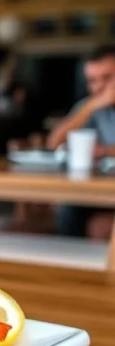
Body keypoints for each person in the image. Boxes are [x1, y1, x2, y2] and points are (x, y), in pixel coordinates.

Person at [46, 45, 115, 238]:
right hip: (98, 191)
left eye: (107, 78)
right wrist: (92, 105)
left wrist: (105, 151)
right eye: (92, 81)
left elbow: (103, 151)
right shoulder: (90, 107)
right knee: (68, 205)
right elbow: (54, 143)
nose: (99, 86)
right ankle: (66, 264)